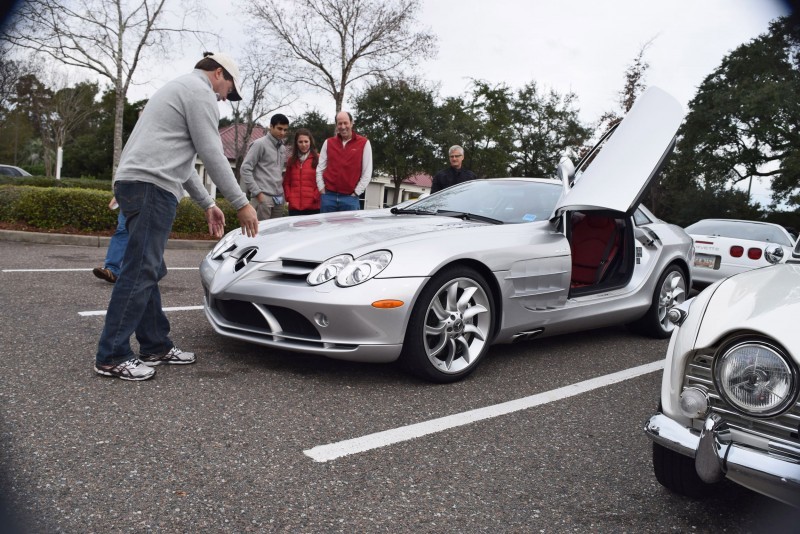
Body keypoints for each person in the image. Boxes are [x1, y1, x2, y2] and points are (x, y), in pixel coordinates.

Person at [93, 52, 259, 381]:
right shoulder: (200, 92)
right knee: (140, 270)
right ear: (218, 73)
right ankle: (112, 355)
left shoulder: (178, 88)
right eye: (229, 89)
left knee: (147, 268)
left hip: (138, 181)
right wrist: (241, 202)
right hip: (151, 186)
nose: (226, 97)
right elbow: (211, 151)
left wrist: (207, 203)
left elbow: (181, 163)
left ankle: (155, 344)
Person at [316, 111, 372, 212]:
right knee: (326, 228)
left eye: (345, 123)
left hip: (350, 199)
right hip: (328, 197)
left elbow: (367, 172)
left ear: (351, 123)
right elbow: (320, 168)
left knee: (349, 228)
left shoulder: (364, 143)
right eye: (339, 123)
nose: (342, 126)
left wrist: (356, 193)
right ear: (336, 125)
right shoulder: (328, 142)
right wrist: (321, 189)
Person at [241, 113, 290, 220]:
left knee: (275, 234)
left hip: (279, 197)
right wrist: (257, 193)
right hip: (263, 197)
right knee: (259, 234)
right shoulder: (259, 144)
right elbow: (245, 169)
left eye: (285, 130)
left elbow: (278, 172)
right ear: (271, 127)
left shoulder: (282, 148)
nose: (282, 133)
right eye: (279, 128)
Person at [283, 128, 321, 216]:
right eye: (300, 142)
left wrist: (315, 196)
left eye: (306, 141)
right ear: (296, 143)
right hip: (295, 208)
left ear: (310, 142)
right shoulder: (291, 161)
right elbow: (286, 182)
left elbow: (323, 181)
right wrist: (289, 197)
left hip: (313, 207)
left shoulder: (318, 158)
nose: (303, 144)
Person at [92, 197, 127, 284]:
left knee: (148, 235)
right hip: (128, 196)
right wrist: (117, 195)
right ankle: (112, 270)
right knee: (122, 231)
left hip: (154, 195)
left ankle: (154, 268)